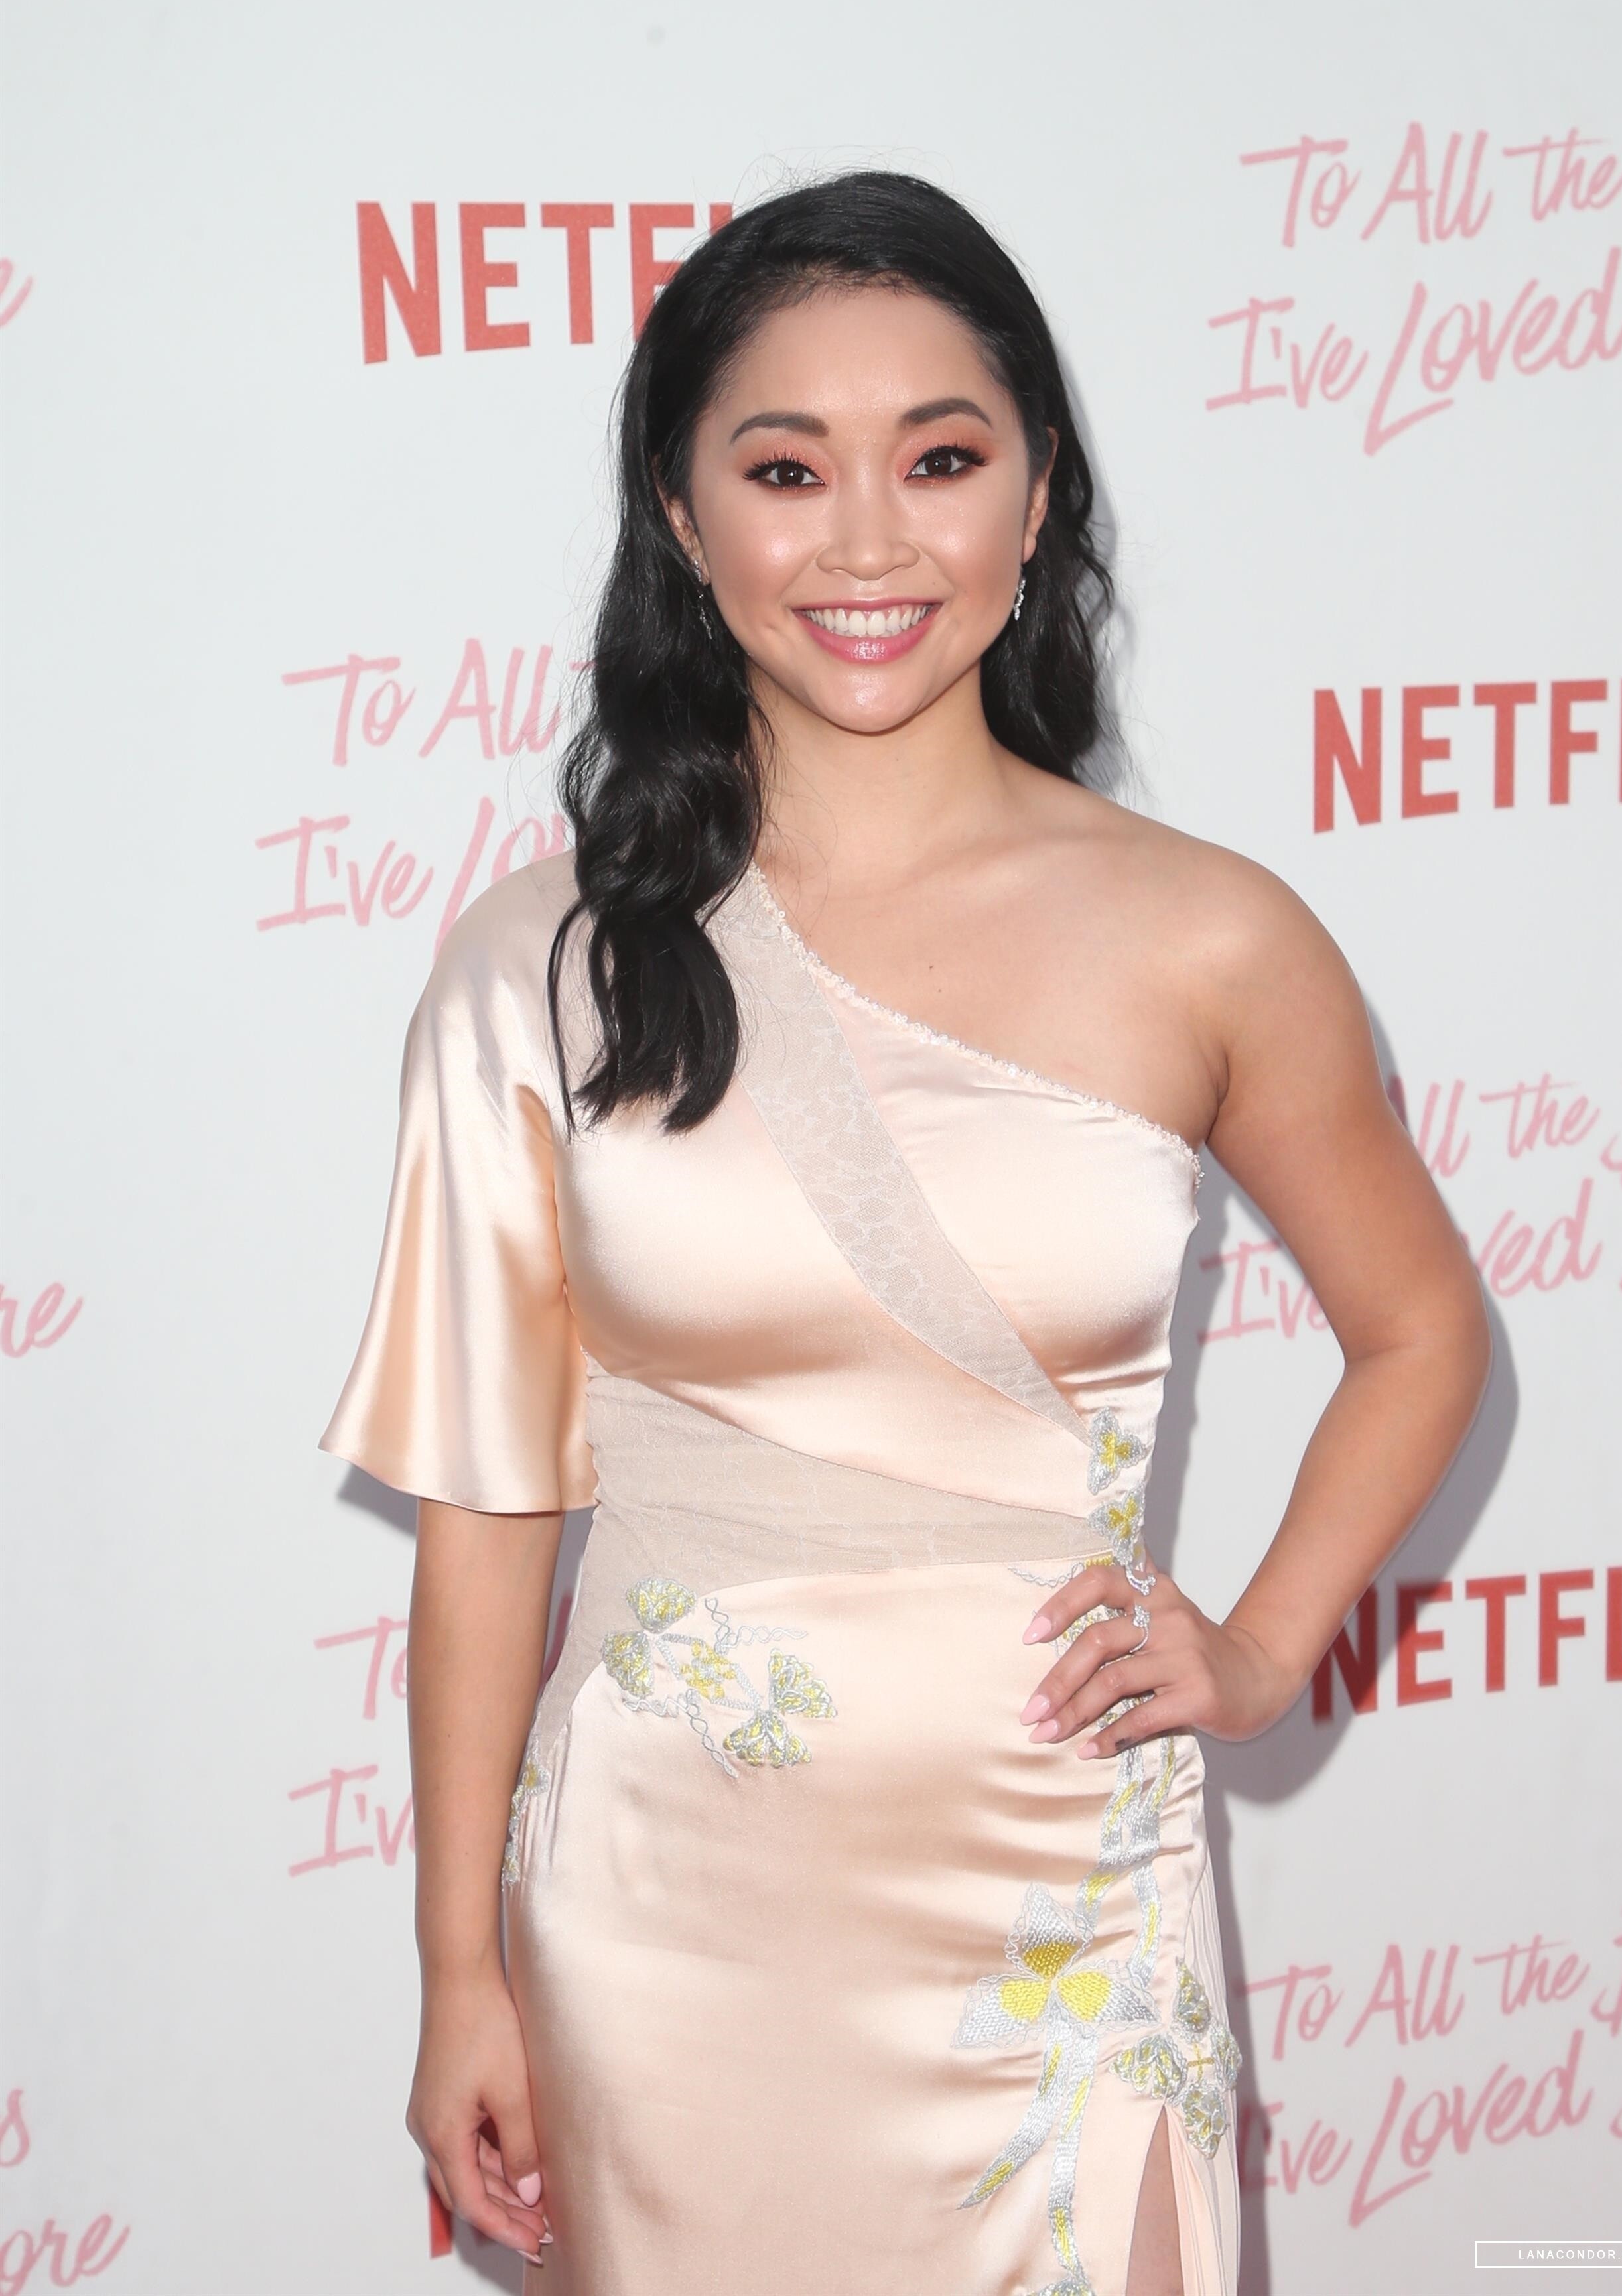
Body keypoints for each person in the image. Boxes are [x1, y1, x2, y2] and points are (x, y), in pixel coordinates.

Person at [320, 169, 1491, 2296]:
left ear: (1036, 495)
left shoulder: (1214, 936)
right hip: (664, 1910)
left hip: (1059, 1890)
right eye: (787, 470)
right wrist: (454, 1969)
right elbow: (490, 1514)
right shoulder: (541, 965)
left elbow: (1423, 1331)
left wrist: (1255, 1645)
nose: (869, 542)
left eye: (940, 460)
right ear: (682, 519)